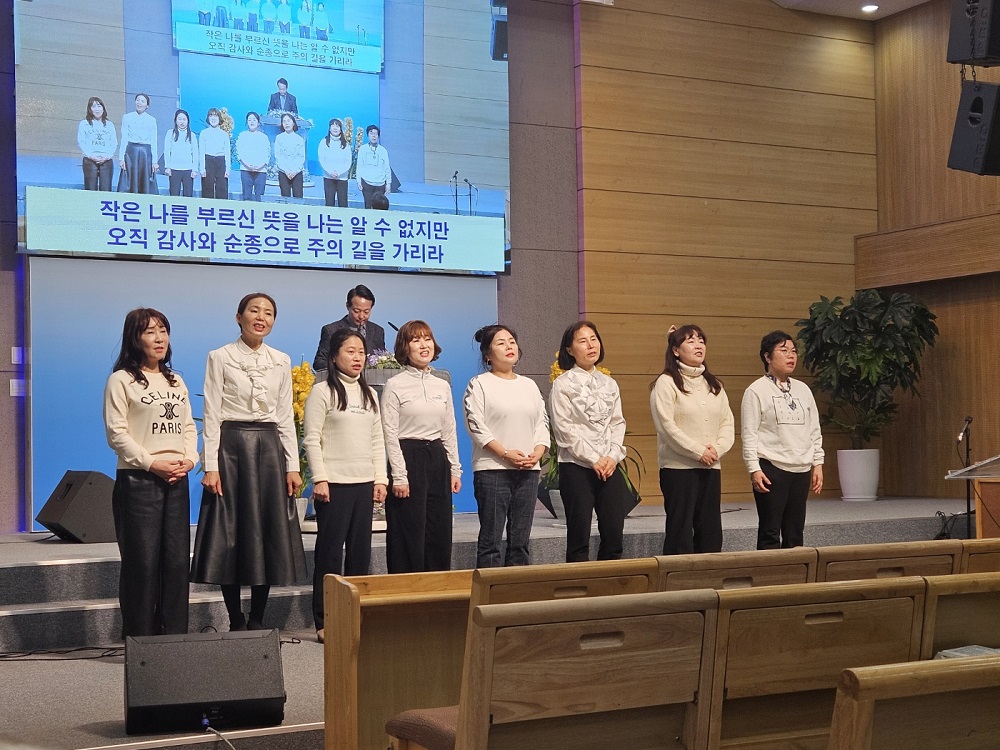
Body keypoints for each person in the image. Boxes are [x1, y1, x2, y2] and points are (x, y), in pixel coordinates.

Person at [191, 292, 307, 631]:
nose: (261, 317)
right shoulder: (220, 356)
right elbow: (212, 412)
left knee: (266, 530)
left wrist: (292, 465)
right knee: (231, 533)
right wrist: (211, 465)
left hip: (269, 448)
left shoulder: (281, 360)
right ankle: (235, 618)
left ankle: (257, 617)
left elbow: (284, 415)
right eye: (254, 310)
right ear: (238, 316)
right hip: (231, 448)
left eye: (268, 313)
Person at [103, 308, 198, 636]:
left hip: (176, 479)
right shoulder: (121, 380)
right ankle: (141, 641)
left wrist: (190, 459)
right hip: (139, 481)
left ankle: (174, 639)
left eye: (163, 331)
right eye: (150, 332)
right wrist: (151, 463)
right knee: (142, 564)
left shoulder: (176, 380)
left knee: (176, 563)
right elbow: (117, 434)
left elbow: (188, 426)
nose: (159, 339)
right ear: (134, 338)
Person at [302, 328, 387, 643]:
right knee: (328, 556)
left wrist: (381, 479)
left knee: (360, 556)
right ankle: (325, 620)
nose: (357, 357)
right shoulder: (322, 392)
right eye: (350, 351)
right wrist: (320, 478)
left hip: (364, 483)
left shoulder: (370, 395)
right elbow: (312, 439)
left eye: (361, 352)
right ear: (335, 356)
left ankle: (355, 616)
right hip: (334, 485)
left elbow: (377, 440)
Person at [463, 325, 548, 568]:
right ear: (488, 355)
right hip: (493, 470)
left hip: (528, 470)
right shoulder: (479, 384)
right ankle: (490, 591)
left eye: (511, 341)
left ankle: (517, 589)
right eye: (501, 343)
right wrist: (506, 453)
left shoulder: (529, 385)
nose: (509, 346)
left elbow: (542, 423)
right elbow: (475, 425)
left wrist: (538, 453)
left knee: (520, 542)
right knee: (490, 542)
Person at [381, 321, 462, 573]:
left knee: (438, 530)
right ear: (405, 347)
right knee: (408, 530)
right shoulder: (395, 385)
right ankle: (406, 589)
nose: (424, 345)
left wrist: (455, 469)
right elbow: (390, 433)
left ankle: (436, 588)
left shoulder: (442, 385)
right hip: (408, 456)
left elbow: (449, 429)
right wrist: (399, 475)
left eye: (427, 338)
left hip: (437, 457)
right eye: (416, 340)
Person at [650, 324, 734, 555]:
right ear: (676, 350)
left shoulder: (715, 385)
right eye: (690, 341)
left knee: (710, 530)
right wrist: (698, 452)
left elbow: (727, 423)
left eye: (701, 340)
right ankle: (677, 577)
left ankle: (710, 574)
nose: (698, 345)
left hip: (711, 466)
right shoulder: (666, 383)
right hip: (678, 469)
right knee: (680, 532)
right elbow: (667, 426)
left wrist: (716, 450)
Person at [549, 321, 630, 562]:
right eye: (582, 341)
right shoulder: (563, 384)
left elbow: (617, 423)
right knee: (578, 536)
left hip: (609, 466)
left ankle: (610, 582)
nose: (590, 345)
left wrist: (612, 457)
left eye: (593, 339)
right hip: (576, 467)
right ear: (569, 350)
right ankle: (578, 584)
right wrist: (594, 459)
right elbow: (564, 430)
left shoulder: (609, 383)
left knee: (614, 534)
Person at [741, 331, 824, 550]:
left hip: (801, 468)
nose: (791, 356)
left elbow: (814, 429)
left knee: (795, 531)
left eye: (794, 351)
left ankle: (796, 572)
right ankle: (769, 572)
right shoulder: (756, 391)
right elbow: (749, 434)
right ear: (767, 356)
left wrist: (818, 463)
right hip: (771, 468)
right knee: (770, 531)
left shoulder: (803, 389)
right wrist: (753, 468)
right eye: (784, 350)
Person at [312, 284, 386, 370]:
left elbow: (382, 360)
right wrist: (343, 369)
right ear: (348, 306)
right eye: (357, 311)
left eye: (366, 312)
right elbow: (319, 362)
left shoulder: (377, 331)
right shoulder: (331, 331)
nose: (361, 316)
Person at [118, 93, 158, 194]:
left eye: (143, 101)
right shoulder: (127, 117)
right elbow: (124, 138)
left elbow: (154, 141)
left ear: (147, 105)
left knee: (145, 180)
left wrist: (155, 161)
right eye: (138, 100)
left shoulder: (152, 120)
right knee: (130, 179)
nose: (139, 103)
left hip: (145, 153)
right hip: (131, 152)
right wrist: (121, 158)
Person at [78, 96, 117, 191]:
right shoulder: (84, 124)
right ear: (90, 109)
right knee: (90, 189)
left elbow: (113, 142)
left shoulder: (109, 125)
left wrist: (107, 156)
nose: (97, 109)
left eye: (99, 106)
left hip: (106, 160)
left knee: (106, 190)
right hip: (90, 160)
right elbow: (81, 142)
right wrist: (90, 156)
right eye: (94, 106)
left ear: (103, 108)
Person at [163, 109, 199, 197]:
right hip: (174, 169)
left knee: (188, 195)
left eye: (184, 119)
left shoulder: (192, 135)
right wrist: (168, 167)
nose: (182, 122)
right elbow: (167, 150)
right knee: (174, 194)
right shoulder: (170, 133)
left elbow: (195, 153)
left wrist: (194, 169)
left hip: (188, 170)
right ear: (175, 120)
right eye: (179, 119)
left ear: (188, 121)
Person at [236, 111, 270, 202]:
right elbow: (239, 153)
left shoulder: (264, 137)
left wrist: (260, 166)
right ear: (247, 122)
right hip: (246, 169)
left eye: (254, 120)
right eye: (249, 120)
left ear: (258, 122)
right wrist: (248, 165)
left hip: (261, 170)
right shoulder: (242, 135)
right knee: (247, 197)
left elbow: (267, 154)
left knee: (260, 197)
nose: (252, 122)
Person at [318, 118, 351, 208]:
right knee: (329, 203)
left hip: (342, 178)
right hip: (328, 177)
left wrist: (339, 173)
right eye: (333, 126)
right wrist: (330, 172)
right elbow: (322, 160)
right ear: (329, 129)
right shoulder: (324, 142)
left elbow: (348, 162)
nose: (335, 128)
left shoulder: (345, 144)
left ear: (341, 129)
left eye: (337, 126)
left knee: (343, 204)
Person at [356, 124, 391, 209]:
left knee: (379, 207)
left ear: (378, 136)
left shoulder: (383, 151)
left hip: (380, 184)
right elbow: (359, 166)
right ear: (368, 135)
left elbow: (387, 167)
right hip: (367, 183)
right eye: (371, 133)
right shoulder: (363, 149)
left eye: (376, 134)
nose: (374, 136)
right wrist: (358, 181)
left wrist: (388, 183)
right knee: (368, 206)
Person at [199, 107, 231, 200]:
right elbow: (201, 151)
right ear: (208, 118)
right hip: (208, 160)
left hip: (221, 161)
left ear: (219, 118)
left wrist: (228, 169)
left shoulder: (224, 134)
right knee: (207, 188)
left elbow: (227, 153)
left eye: (215, 116)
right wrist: (202, 169)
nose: (213, 118)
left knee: (222, 189)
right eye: (211, 116)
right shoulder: (203, 133)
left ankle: (222, 207)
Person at [274, 112, 305, 199]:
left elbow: (301, 157)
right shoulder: (279, 138)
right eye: (284, 121)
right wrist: (286, 170)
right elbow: (278, 156)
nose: (286, 123)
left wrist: (295, 171)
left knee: (298, 198)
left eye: (288, 121)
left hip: (297, 172)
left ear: (293, 123)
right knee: (285, 198)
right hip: (283, 172)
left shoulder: (299, 139)